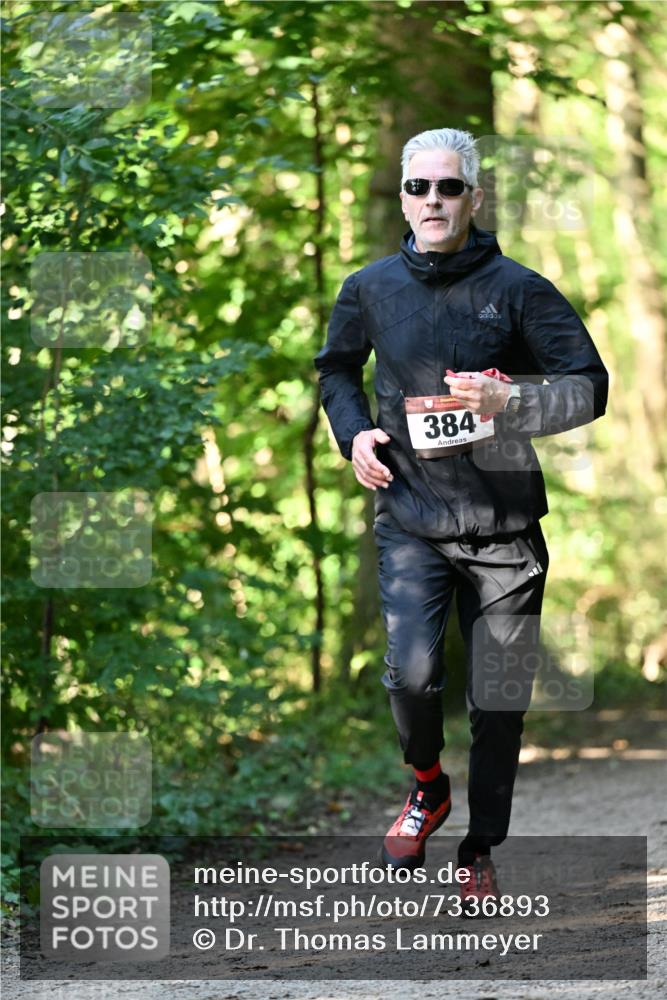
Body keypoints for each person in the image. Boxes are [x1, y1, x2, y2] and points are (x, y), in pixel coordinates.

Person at [313, 127, 608, 914]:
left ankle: (478, 850)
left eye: (449, 188)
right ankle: (425, 787)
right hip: (410, 513)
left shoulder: (520, 288)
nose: (433, 201)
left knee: (498, 703)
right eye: (419, 188)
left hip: (505, 526)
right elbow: (336, 367)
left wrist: (513, 399)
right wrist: (355, 434)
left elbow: (588, 386)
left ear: (473, 197)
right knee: (411, 675)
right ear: (403, 197)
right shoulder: (369, 287)